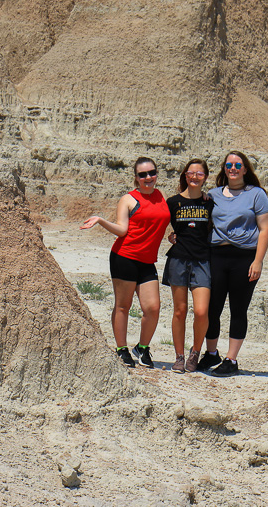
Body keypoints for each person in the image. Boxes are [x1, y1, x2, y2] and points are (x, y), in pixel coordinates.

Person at [80, 157, 170, 369]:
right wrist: (101, 220)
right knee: (123, 306)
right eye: (142, 175)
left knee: (153, 308)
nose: (148, 178)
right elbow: (122, 230)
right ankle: (121, 349)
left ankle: (142, 347)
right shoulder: (128, 199)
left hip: (147, 260)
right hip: (125, 256)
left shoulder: (161, 195)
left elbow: (163, 221)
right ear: (136, 178)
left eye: (151, 173)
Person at [197, 150, 268, 376]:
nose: (233, 169)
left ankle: (231, 359)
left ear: (245, 169)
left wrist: (258, 261)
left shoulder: (257, 194)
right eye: (229, 165)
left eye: (238, 165)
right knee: (213, 308)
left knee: (238, 309)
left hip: (244, 258)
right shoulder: (212, 195)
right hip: (216, 256)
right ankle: (211, 354)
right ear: (224, 169)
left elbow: (265, 229)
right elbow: (201, 223)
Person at [163, 159, 213, 374]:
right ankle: (179, 357)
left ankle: (195, 352)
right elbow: (158, 224)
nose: (194, 177)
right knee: (180, 311)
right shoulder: (172, 202)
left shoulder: (210, 202)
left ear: (205, 178)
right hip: (179, 259)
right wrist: (169, 236)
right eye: (190, 173)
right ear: (184, 175)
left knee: (201, 312)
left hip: (203, 260)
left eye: (199, 174)